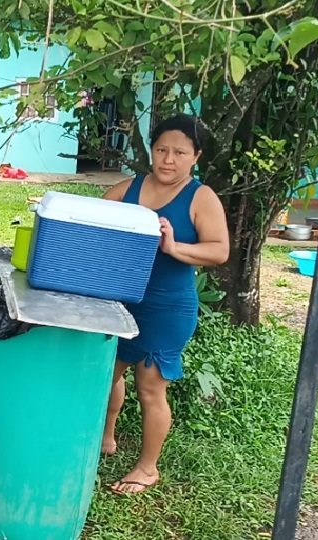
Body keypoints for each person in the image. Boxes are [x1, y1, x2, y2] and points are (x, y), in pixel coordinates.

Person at [101, 114, 229, 494]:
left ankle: (147, 468)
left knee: (150, 387)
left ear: (196, 156)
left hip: (168, 308)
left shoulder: (201, 197)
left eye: (179, 152)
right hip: (122, 300)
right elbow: (93, 224)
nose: (168, 159)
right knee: (107, 374)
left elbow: (219, 251)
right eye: (161, 150)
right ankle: (106, 437)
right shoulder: (129, 188)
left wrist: (174, 247)